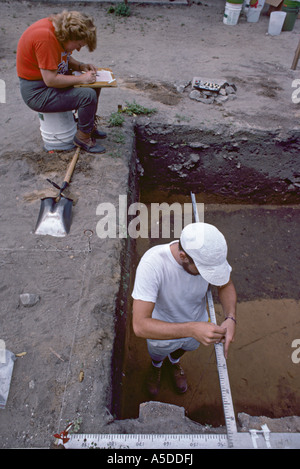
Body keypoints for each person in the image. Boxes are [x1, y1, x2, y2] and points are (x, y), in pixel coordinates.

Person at [132, 222, 237, 396]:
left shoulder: (210, 255)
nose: (208, 276)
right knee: (158, 353)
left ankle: (174, 362)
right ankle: (156, 366)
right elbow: (140, 325)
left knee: (186, 347)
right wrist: (191, 329)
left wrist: (230, 317)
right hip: (161, 329)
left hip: (198, 323)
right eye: (204, 271)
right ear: (183, 256)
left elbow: (225, 284)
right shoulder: (153, 264)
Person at [16, 10, 106, 154]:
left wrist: (80, 66)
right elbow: (51, 80)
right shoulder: (45, 38)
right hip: (38, 92)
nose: (78, 49)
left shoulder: (60, 32)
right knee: (87, 96)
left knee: (94, 86)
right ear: (69, 36)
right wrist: (81, 78)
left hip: (45, 83)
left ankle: (87, 128)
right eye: (78, 44)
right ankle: (83, 137)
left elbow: (63, 55)